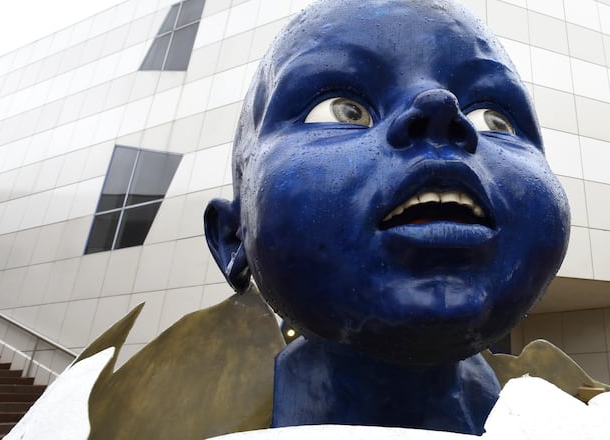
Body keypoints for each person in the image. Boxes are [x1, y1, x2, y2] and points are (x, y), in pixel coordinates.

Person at [203, 0, 570, 434]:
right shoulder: (164, 416)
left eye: (493, 118)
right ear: (232, 236)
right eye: (343, 110)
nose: (440, 107)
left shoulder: (585, 415)